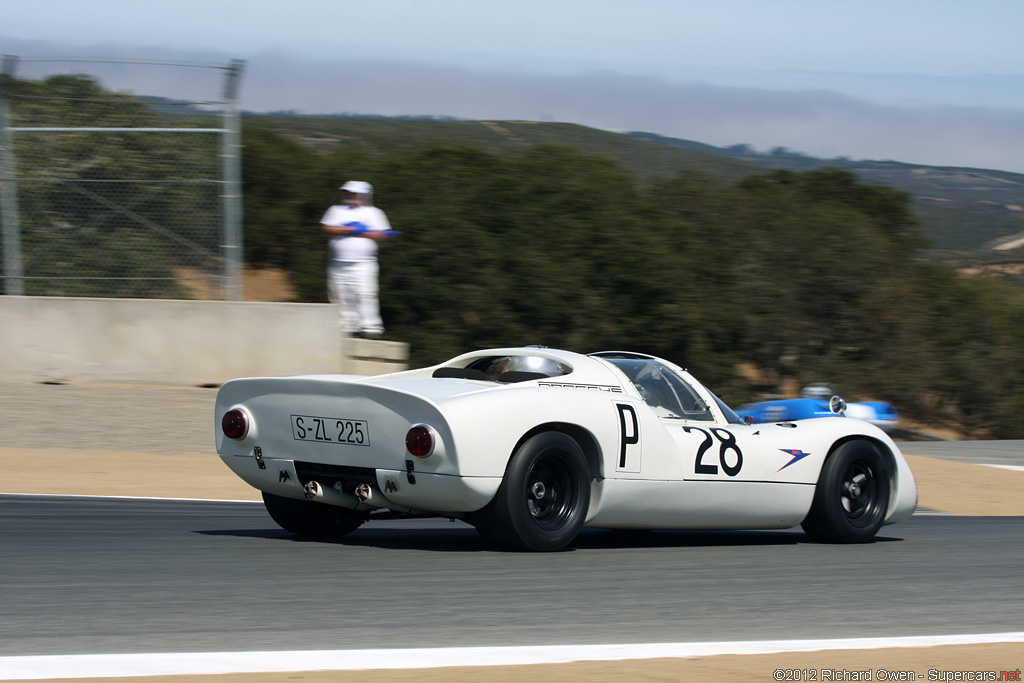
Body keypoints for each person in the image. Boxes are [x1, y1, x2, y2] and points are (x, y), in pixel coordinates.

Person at [321, 180, 395, 338]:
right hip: (338, 261)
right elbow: (327, 229)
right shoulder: (336, 210)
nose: (352, 196)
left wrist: (356, 231)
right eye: (349, 193)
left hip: (364, 262)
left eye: (355, 193)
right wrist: (350, 229)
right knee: (339, 294)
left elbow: (381, 234)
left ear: (365, 195)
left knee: (365, 294)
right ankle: (347, 326)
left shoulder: (375, 213)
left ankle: (370, 327)